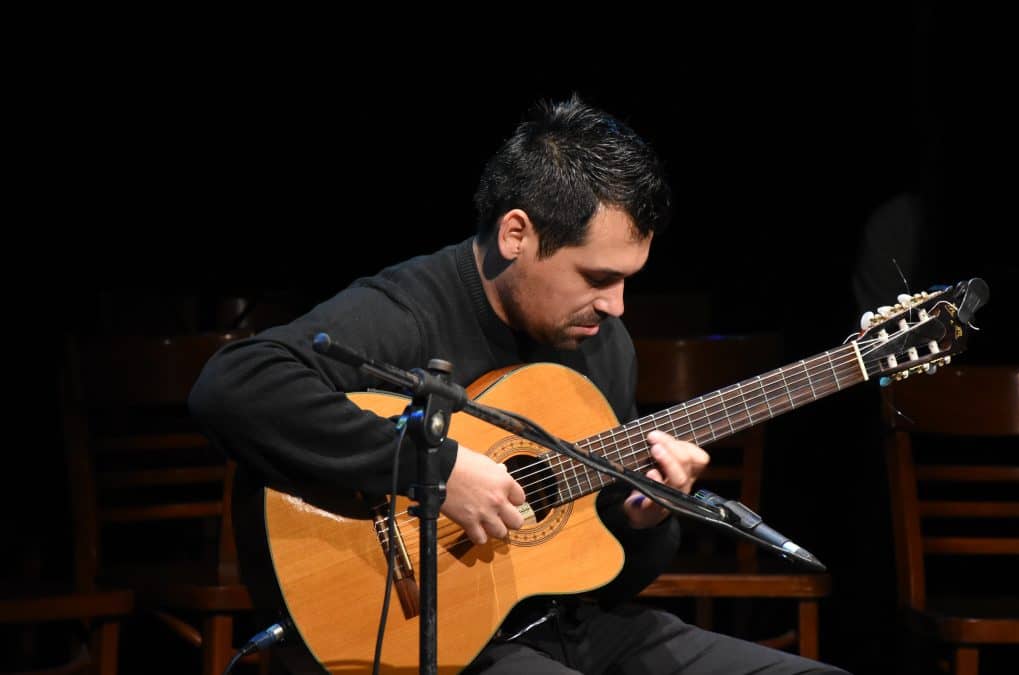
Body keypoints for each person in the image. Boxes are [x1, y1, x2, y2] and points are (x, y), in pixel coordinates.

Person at [190, 95, 848, 674]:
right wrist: (437, 469)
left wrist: (642, 517)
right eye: (597, 278)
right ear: (516, 234)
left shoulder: (602, 345)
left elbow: (610, 579)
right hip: (446, 639)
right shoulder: (408, 308)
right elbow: (231, 385)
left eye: (628, 279)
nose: (618, 305)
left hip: (576, 630)